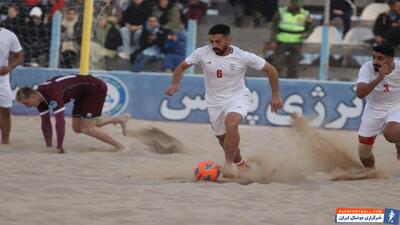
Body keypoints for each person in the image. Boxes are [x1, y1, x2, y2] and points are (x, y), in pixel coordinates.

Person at [165, 24, 283, 178]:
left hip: (237, 97)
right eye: (211, 42)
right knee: (223, 139)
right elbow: (181, 67)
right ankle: (241, 165)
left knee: (232, 123)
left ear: (229, 40)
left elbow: (271, 70)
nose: (214, 45)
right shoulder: (202, 53)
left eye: (218, 42)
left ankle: (228, 166)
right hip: (214, 102)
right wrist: (175, 83)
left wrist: (275, 95)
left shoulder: (243, 56)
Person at [16, 75, 130, 153]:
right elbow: (46, 123)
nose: (26, 106)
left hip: (95, 88)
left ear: (32, 96)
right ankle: (120, 119)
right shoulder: (39, 99)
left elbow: (60, 121)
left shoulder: (51, 93)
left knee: (87, 128)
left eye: (26, 103)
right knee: (77, 128)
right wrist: (49, 146)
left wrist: (59, 146)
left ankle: (121, 147)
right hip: (82, 93)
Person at [356, 44, 400, 168]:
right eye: (373, 57)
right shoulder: (367, 68)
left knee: (391, 134)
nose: (375, 61)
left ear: (391, 60)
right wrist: (379, 78)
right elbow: (360, 93)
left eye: (380, 58)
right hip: (373, 109)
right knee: (363, 151)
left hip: (396, 106)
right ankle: (371, 172)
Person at [268, 0, 312, 78]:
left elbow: (310, 28)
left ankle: (292, 78)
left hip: (296, 41)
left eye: (298, 6)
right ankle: (276, 77)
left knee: (294, 62)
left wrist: (306, 34)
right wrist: (273, 40)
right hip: (281, 40)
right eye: (295, 5)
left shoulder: (305, 14)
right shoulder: (281, 12)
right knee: (278, 61)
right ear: (291, 3)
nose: (296, 7)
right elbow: (274, 27)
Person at [0, 27, 24, 145]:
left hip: (2, 78)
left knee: (5, 110)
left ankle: (5, 142)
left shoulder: (10, 35)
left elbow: (19, 56)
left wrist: (9, 67)